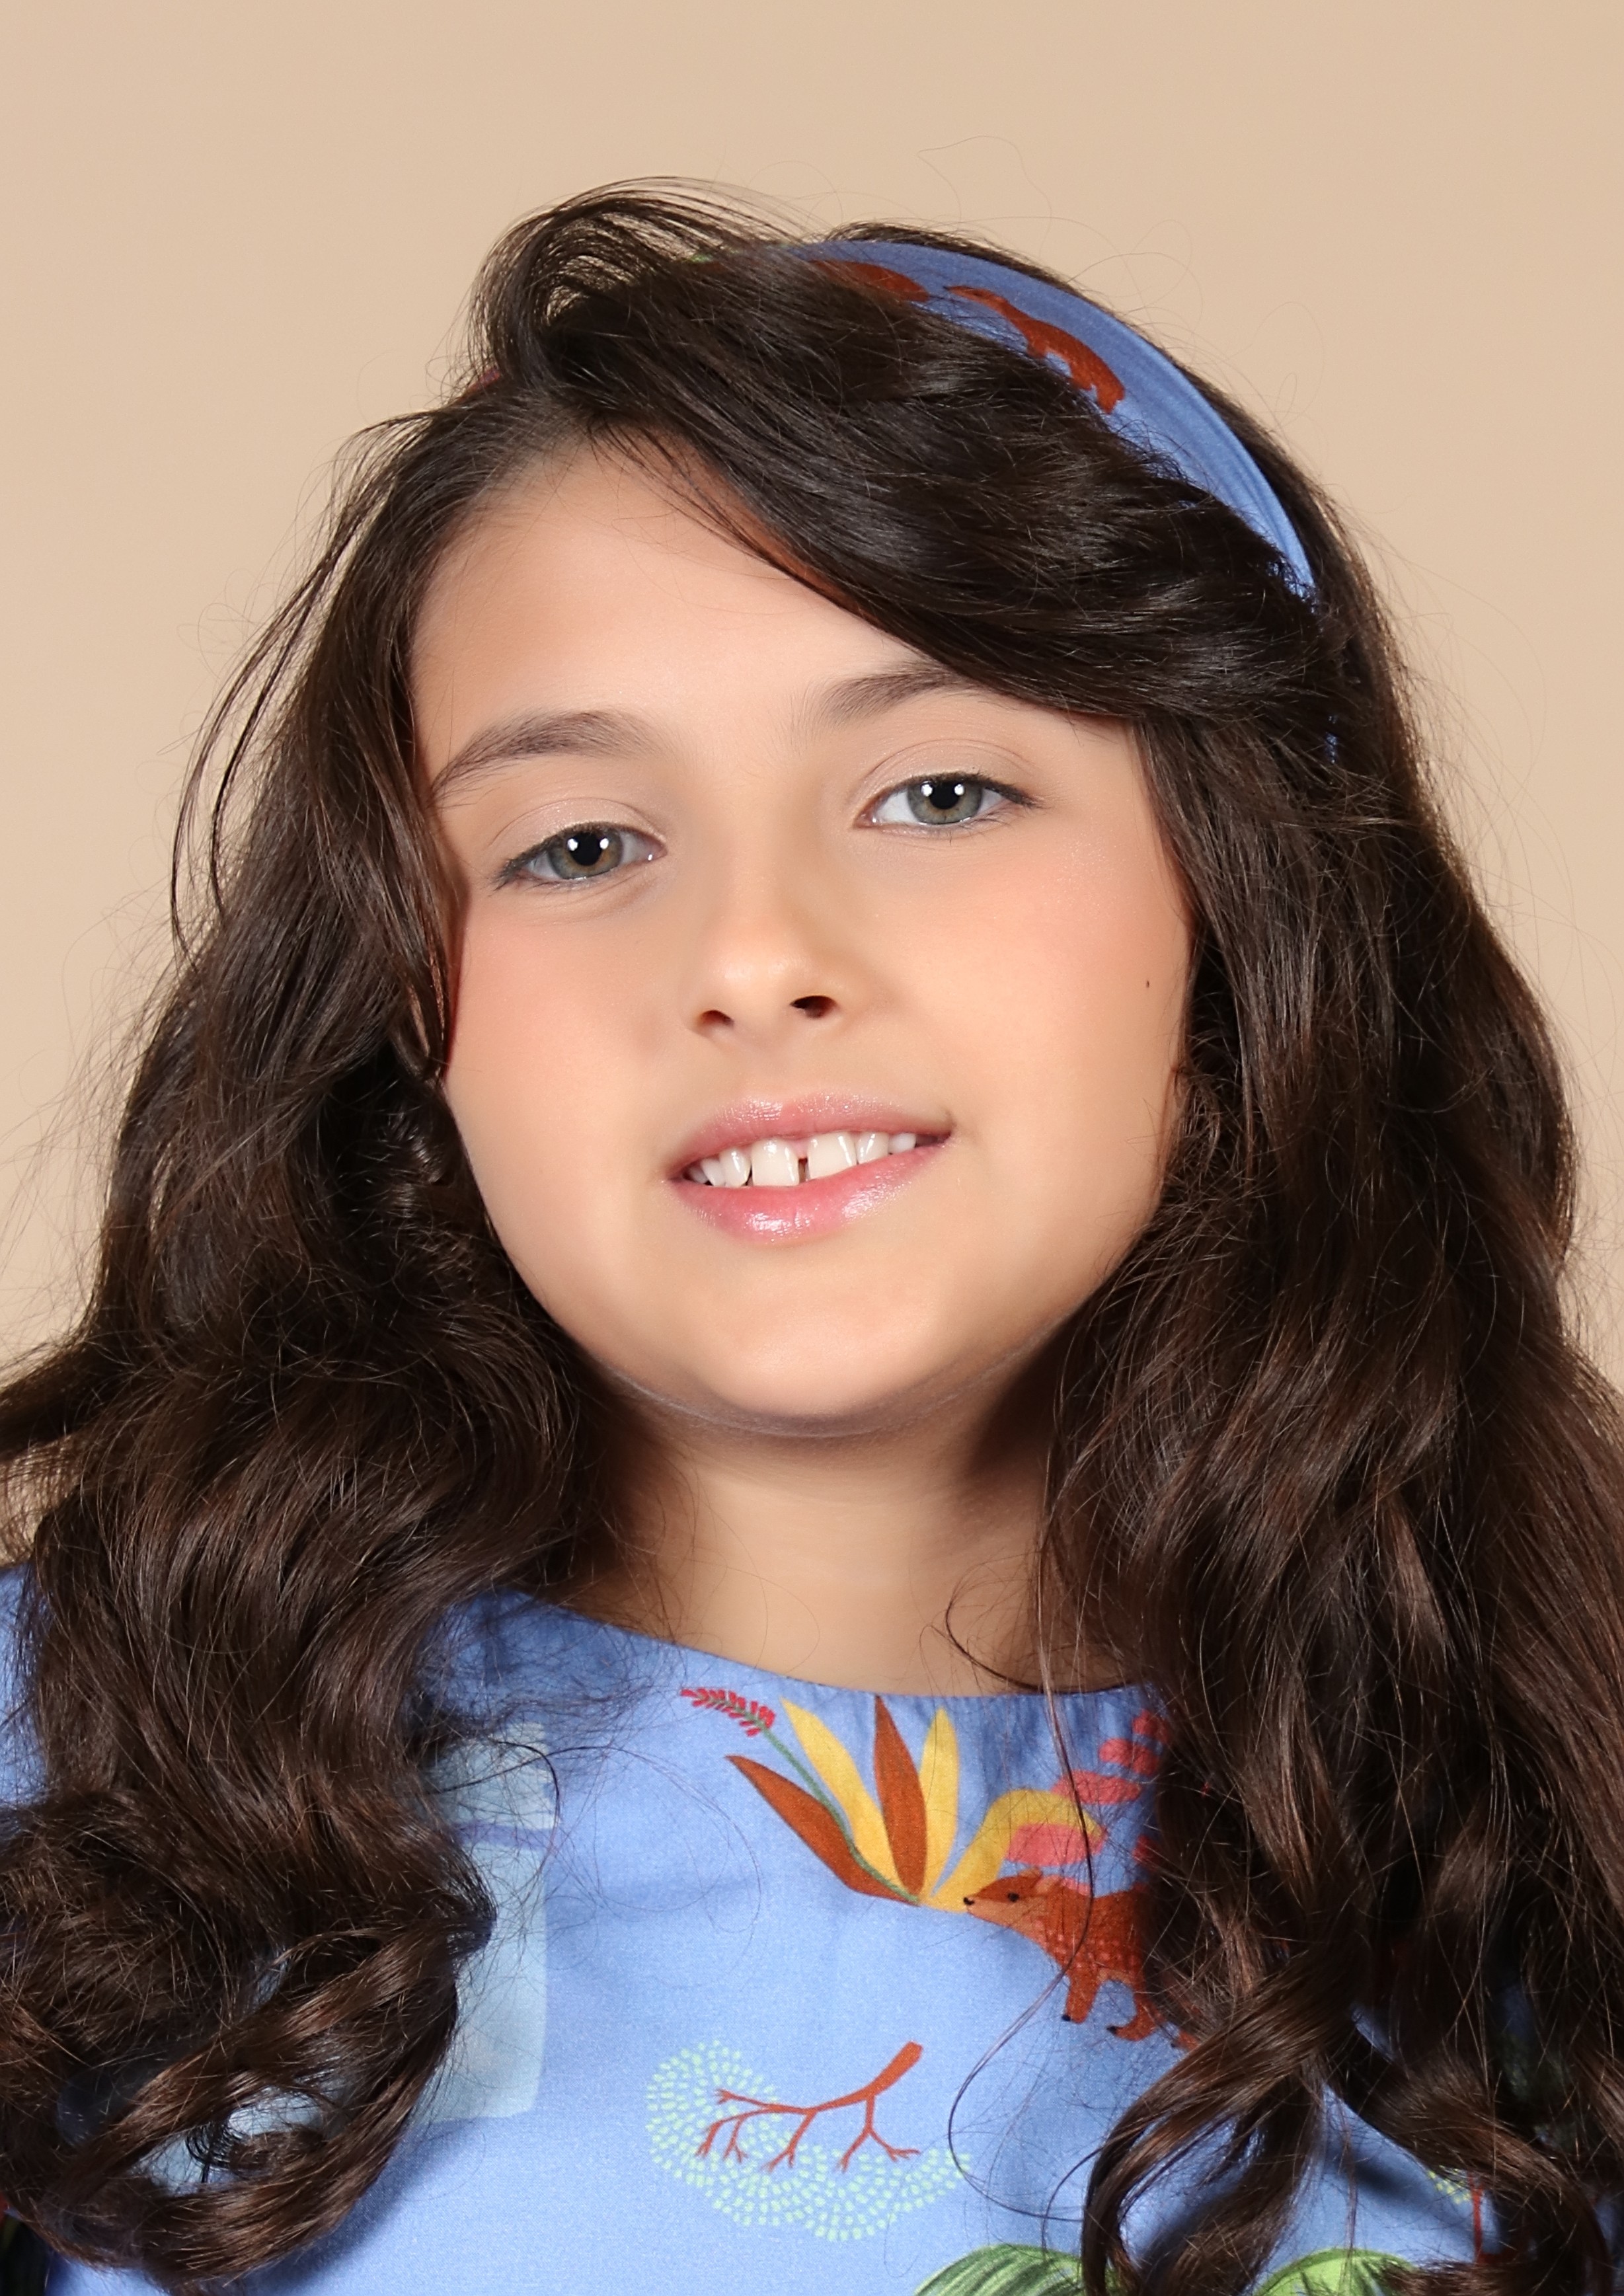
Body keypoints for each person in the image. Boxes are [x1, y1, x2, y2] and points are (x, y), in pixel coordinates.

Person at [0, 184, 1619, 2296]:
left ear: (1240, 906)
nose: (752, 954)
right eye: (583, 842)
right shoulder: (65, 1794)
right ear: (413, 1009)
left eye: (937, 793)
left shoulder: (1557, 1845)